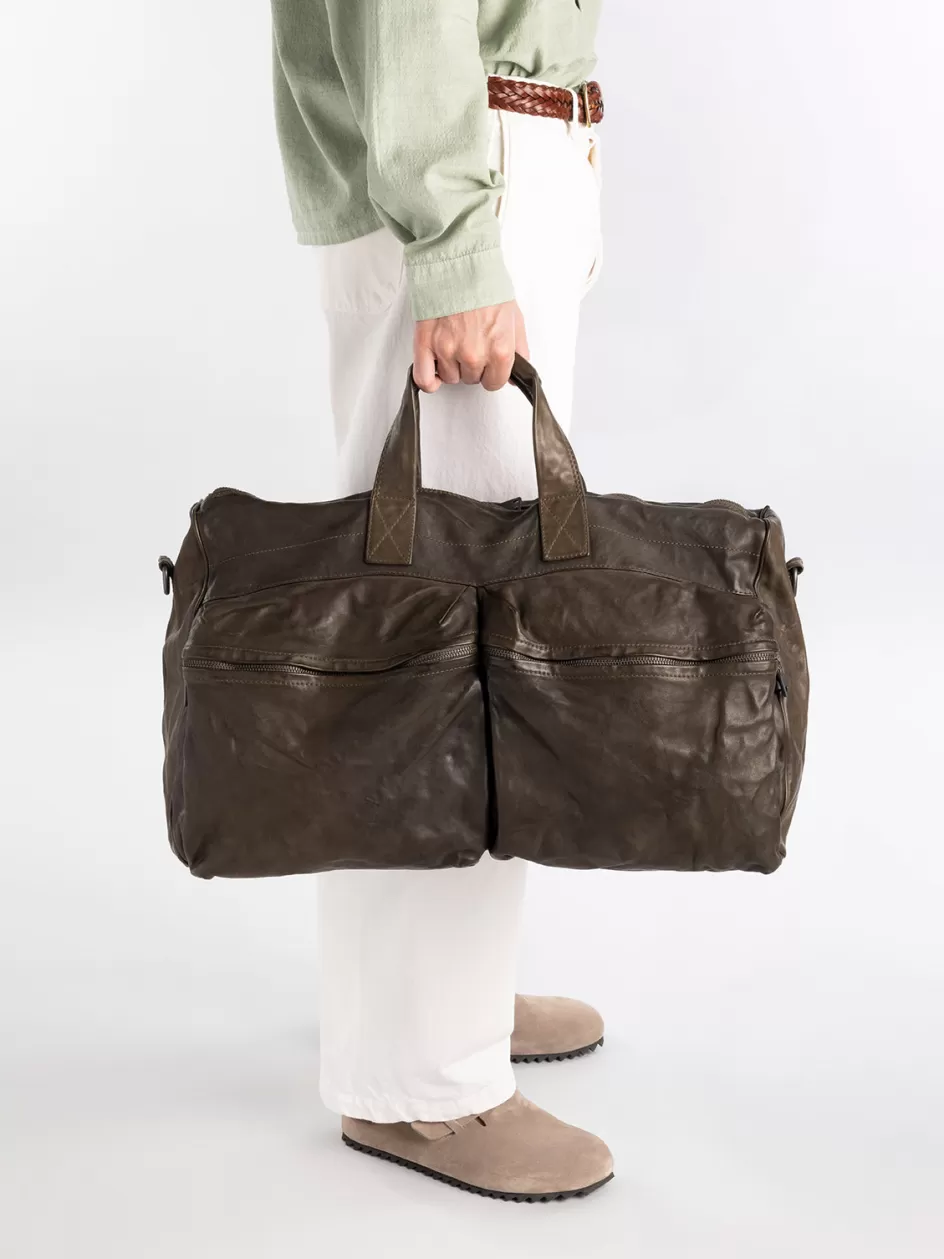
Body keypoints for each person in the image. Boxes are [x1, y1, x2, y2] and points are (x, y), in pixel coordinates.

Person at [270, 0, 612, 1200]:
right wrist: (457, 240)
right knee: (438, 647)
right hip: (464, 165)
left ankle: (440, 998)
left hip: (484, 155)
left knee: (463, 633)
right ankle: (419, 1083)